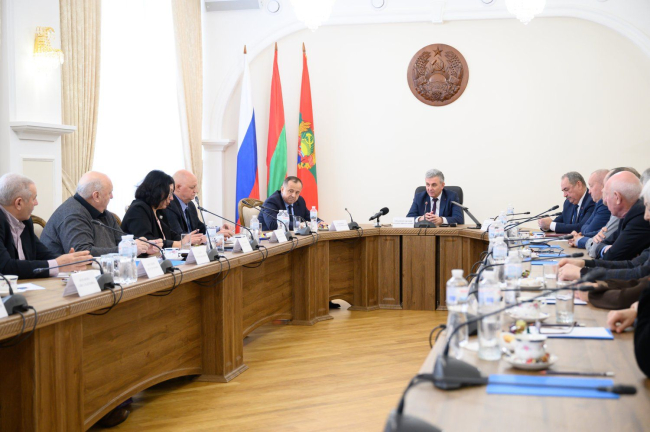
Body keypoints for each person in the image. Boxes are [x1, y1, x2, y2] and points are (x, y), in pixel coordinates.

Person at [41, 172, 157, 257]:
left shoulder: (104, 214)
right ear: (96, 196)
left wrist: (144, 247)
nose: (112, 196)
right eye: (110, 192)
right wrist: (127, 250)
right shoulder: (72, 214)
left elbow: (122, 241)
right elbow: (82, 253)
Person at [558, 179, 650, 282]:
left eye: (649, 208)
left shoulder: (637, 216)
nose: (646, 216)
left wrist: (583, 273)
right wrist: (584, 263)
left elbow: (638, 273)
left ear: (617, 197)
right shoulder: (626, 215)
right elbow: (632, 265)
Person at [0, 173, 90, 279]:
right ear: (19, 203)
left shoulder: (25, 221)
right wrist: (58, 265)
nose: (36, 203)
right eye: (34, 199)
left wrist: (69, 260)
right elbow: (5, 267)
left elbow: (43, 254)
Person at [121, 170, 203, 249]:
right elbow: (149, 242)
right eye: (170, 193)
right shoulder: (138, 209)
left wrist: (186, 239)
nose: (171, 198)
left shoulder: (159, 210)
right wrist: (179, 244)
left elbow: (170, 234)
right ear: (158, 191)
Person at [591, 171, 650, 260]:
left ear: (617, 197)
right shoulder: (627, 214)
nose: (605, 201)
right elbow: (600, 245)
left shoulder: (639, 216)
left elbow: (612, 257)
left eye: (607, 194)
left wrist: (607, 250)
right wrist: (605, 249)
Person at [163, 169, 233, 241]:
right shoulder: (169, 205)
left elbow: (200, 228)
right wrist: (214, 237)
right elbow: (179, 236)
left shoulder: (190, 205)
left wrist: (219, 229)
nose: (196, 191)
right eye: (192, 187)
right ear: (178, 187)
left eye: (196, 187)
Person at [260, 176, 325, 231]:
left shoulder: (300, 200)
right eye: (290, 191)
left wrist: (320, 222)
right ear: (282, 189)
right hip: (269, 239)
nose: (293, 195)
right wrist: (298, 225)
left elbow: (308, 216)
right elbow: (272, 224)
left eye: (297, 192)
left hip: (294, 237)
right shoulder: (271, 202)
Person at [569, 169, 611, 248]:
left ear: (604, 185)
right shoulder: (599, 203)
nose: (589, 191)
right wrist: (582, 235)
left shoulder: (605, 205)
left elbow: (589, 230)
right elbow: (585, 227)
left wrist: (581, 237)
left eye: (591, 186)